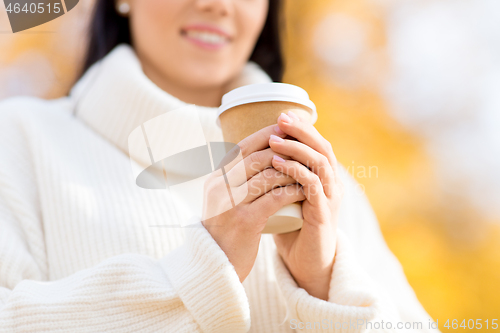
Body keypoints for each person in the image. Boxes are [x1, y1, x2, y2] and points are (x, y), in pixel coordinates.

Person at [0, 0, 439, 332]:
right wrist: (197, 277)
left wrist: (324, 283)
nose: (218, 5)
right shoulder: (19, 139)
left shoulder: (327, 184)